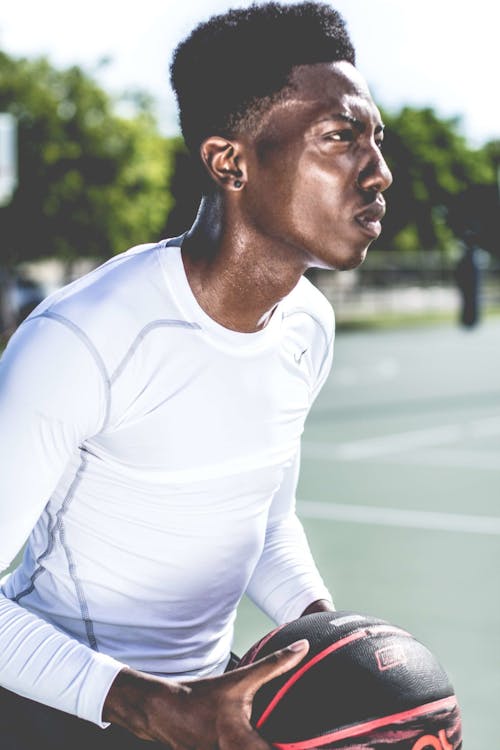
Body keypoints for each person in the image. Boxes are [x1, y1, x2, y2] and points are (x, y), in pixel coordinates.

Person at [0, 3, 392, 749]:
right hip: (58, 712)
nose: (378, 171)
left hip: (207, 708)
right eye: (340, 137)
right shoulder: (83, 340)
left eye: (377, 138)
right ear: (229, 162)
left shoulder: (308, 325)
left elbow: (265, 521)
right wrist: (149, 706)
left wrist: (331, 639)